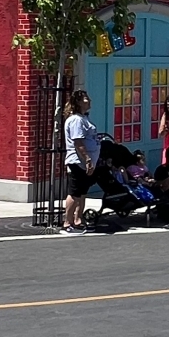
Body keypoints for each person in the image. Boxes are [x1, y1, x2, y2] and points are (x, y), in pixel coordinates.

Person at [62, 89, 101, 235]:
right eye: (85, 99)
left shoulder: (84, 118)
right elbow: (78, 142)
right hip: (78, 162)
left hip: (85, 164)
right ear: (78, 102)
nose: (89, 101)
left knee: (82, 192)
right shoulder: (76, 120)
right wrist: (87, 159)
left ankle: (78, 220)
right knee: (75, 193)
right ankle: (67, 223)